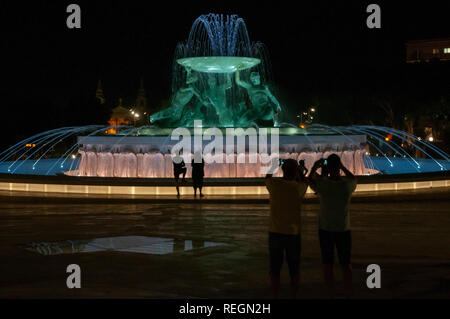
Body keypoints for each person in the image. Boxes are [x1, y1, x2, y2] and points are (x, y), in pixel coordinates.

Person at [308, 154, 357, 298]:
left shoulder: (323, 185)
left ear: (328, 167)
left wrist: (315, 168)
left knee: (327, 264)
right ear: (339, 166)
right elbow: (354, 179)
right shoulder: (347, 185)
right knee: (346, 263)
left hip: (325, 229)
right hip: (343, 228)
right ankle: (348, 291)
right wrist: (342, 167)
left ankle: (330, 292)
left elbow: (309, 180)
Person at [265, 158, 308, 298]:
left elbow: (267, 177)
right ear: (295, 171)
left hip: (275, 232)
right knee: (294, 269)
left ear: (282, 170)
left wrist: (273, 166)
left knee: (274, 268)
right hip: (293, 233)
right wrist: (300, 171)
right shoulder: (298, 188)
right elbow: (305, 182)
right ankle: (294, 294)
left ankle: (275, 294)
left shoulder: (274, 185)